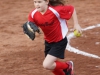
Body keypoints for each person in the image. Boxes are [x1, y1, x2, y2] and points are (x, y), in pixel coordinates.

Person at [27, 0, 82, 75]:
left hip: (59, 41)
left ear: (46, 2)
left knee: (47, 64)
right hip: (48, 41)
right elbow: (30, 24)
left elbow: (71, 9)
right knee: (52, 66)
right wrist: (29, 27)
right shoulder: (33, 14)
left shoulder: (55, 10)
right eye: (35, 2)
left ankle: (67, 66)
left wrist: (76, 24)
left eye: (39, 2)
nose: (37, 4)